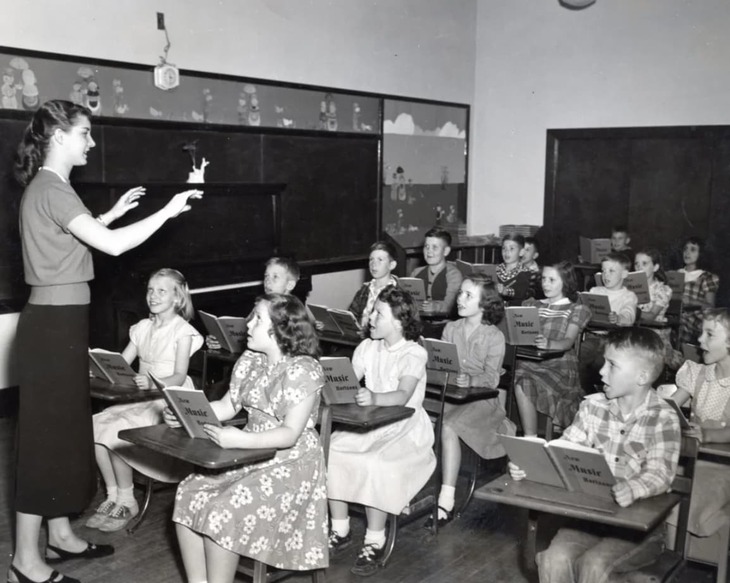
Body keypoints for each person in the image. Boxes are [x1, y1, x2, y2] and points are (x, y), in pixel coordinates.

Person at [11, 99, 202, 583]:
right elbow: (110, 245)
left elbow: (74, 239)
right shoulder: (53, 188)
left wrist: (111, 213)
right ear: (58, 137)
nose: (91, 143)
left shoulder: (54, 188)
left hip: (60, 320)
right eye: (85, 134)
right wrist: (169, 211)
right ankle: (24, 562)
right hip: (53, 325)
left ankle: (59, 534)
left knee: (62, 434)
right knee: (44, 441)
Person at [169, 294, 328, 583]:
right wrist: (185, 412)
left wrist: (236, 440)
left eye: (257, 318)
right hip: (247, 451)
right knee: (188, 492)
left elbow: (290, 434)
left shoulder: (304, 369)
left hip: (291, 463)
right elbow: (228, 406)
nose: (248, 323)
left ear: (280, 328)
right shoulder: (251, 360)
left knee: (222, 511)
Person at [510, 327, 681, 583]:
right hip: (588, 521)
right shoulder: (592, 407)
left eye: (612, 365)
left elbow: (661, 472)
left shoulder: (663, 417)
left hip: (637, 532)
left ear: (642, 376)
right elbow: (565, 449)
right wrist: (531, 466)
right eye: (604, 363)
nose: (601, 371)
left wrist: (634, 487)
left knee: (594, 565)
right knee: (554, 558)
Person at [327, 287, 436, 577]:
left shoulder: (414, 353)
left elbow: (402, 395)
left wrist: (374, 397)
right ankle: (340, 528)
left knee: (376, 463)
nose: (370, 318)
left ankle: (374, 539)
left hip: (404, 427)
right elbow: (348, 384)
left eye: (378, 314)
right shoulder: (367, 347)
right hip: (368, 422)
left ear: (399, 322)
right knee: (332, 451)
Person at [89, 268, 203, 532]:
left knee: (117, 432)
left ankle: (128, 501)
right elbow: (122, 364)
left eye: (161, 291)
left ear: (177, 298)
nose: (153, 295)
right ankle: (113, 495)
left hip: (166, 399)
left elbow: (179, 375)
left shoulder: (183, 331)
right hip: (140, 396)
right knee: (95, 426)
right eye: (150, 290)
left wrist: (154, 381)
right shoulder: (142, 328)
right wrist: (101, 367)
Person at [425, 276, 514, 528]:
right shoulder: (451, 328)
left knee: (449, 426)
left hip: (483, 401)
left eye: (468, 295)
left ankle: (446, 500)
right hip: (453, 395)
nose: (460, 299)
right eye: (461, 293)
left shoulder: (494, 336)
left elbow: (492, 377)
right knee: (414, 413)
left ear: (485, 304)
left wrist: (471, 379)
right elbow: (441, 364)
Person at [669, 309, 730, 554]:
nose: (700, 341)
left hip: (722, 468)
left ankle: (672, 561)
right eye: (701, 333)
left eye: (709, 335)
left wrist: (708, 435)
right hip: (691, 460)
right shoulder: (697, 373)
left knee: (679, 499)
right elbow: (670, 406)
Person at [513, 261, 592, 435]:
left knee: (522, 378)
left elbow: (568, 341)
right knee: (506, 372)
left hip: (557, 365)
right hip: (527, 360)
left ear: (566, 282)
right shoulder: (531, 305)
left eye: (552, 280)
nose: (545, 284)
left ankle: (530, 438)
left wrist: (549, 344)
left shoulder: (576, 309)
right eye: (543, 279)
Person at [580, 252, 638, 390]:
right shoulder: (595, 291)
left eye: (611, 271)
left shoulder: (628, 296)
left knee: (601, 364)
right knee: (577, 358)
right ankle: (581, 394)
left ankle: (597, 392)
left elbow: (629, 315)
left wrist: (619, 318)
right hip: (592, 338)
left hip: (613, 341)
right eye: (603, 271)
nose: (606, 275)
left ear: (624, 274)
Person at [409, 226, 463, 315]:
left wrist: (436, 307)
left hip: (443, 324)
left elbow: (449, 305)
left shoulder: (453, 275)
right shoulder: (416, 273)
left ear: (446, 251)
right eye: (426, 246)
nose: (429, 251)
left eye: (434, 247)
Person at [677, 236, 719, 345]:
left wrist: (691, 302)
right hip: (676, 317)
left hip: (695, 320)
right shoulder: (676, 274)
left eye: (693, 249)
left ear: (701, 254)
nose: (687, 252)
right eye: (685, 249)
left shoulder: (706, 277)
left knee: (682, 327)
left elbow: (710, 306)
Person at [348, 241, 399, 329]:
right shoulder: (364, 289)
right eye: (371, 259)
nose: (374, 264)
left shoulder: (397, 293)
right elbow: (352, 315)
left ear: (392, 265)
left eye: (380, 260)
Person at [495, 233, 537, 305]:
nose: (506, 252)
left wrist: (506, 291)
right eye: (504, 248)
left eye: (512, 248)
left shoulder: (526, 273)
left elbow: (521, 292)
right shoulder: (496, 269)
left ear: (521, 252)